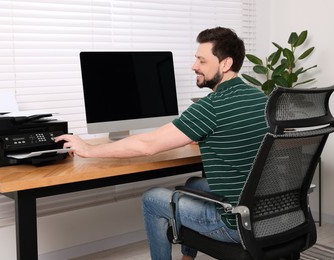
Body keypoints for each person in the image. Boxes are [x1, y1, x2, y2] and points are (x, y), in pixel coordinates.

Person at [55, 27, 269, 260]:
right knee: (194, 184)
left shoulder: (212, 107)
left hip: (234, 224)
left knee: (152, 198)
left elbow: (148, 145)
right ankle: (188, 257)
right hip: (269, 215)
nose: (194, 66)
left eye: (201, 60)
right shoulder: (262, 99)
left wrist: (89, 149)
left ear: (225, 64)